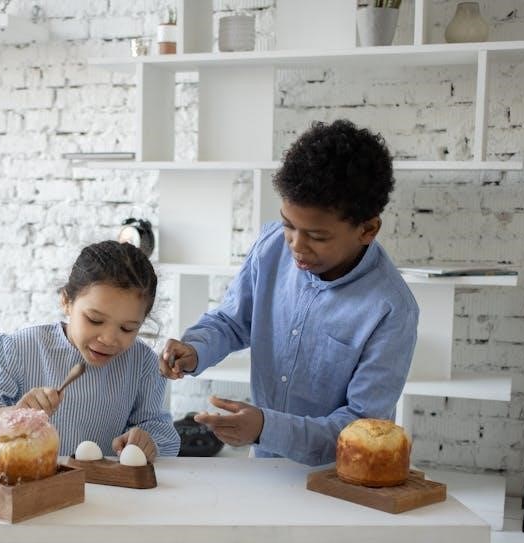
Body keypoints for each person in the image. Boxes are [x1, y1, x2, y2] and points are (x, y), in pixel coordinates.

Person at [160, 119, 419, 466]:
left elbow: (360, 427)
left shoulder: (391, 309)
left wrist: (266, 428)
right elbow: (232, 322)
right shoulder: (270, 246)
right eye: (288, 224)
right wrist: (195, 349)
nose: (296, 245)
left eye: (317, 236)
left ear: (367, 229)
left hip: (338, 476)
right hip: (263, 465)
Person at [0, 240, 180, 461]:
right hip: (28, 485)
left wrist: (147, 441)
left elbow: (158, 431)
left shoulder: (142, 363)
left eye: (127, 328)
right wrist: (15, 414)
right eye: (95, 320)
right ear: (66, 301)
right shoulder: (18, 350)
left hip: (105, 488)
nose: (108, 339)